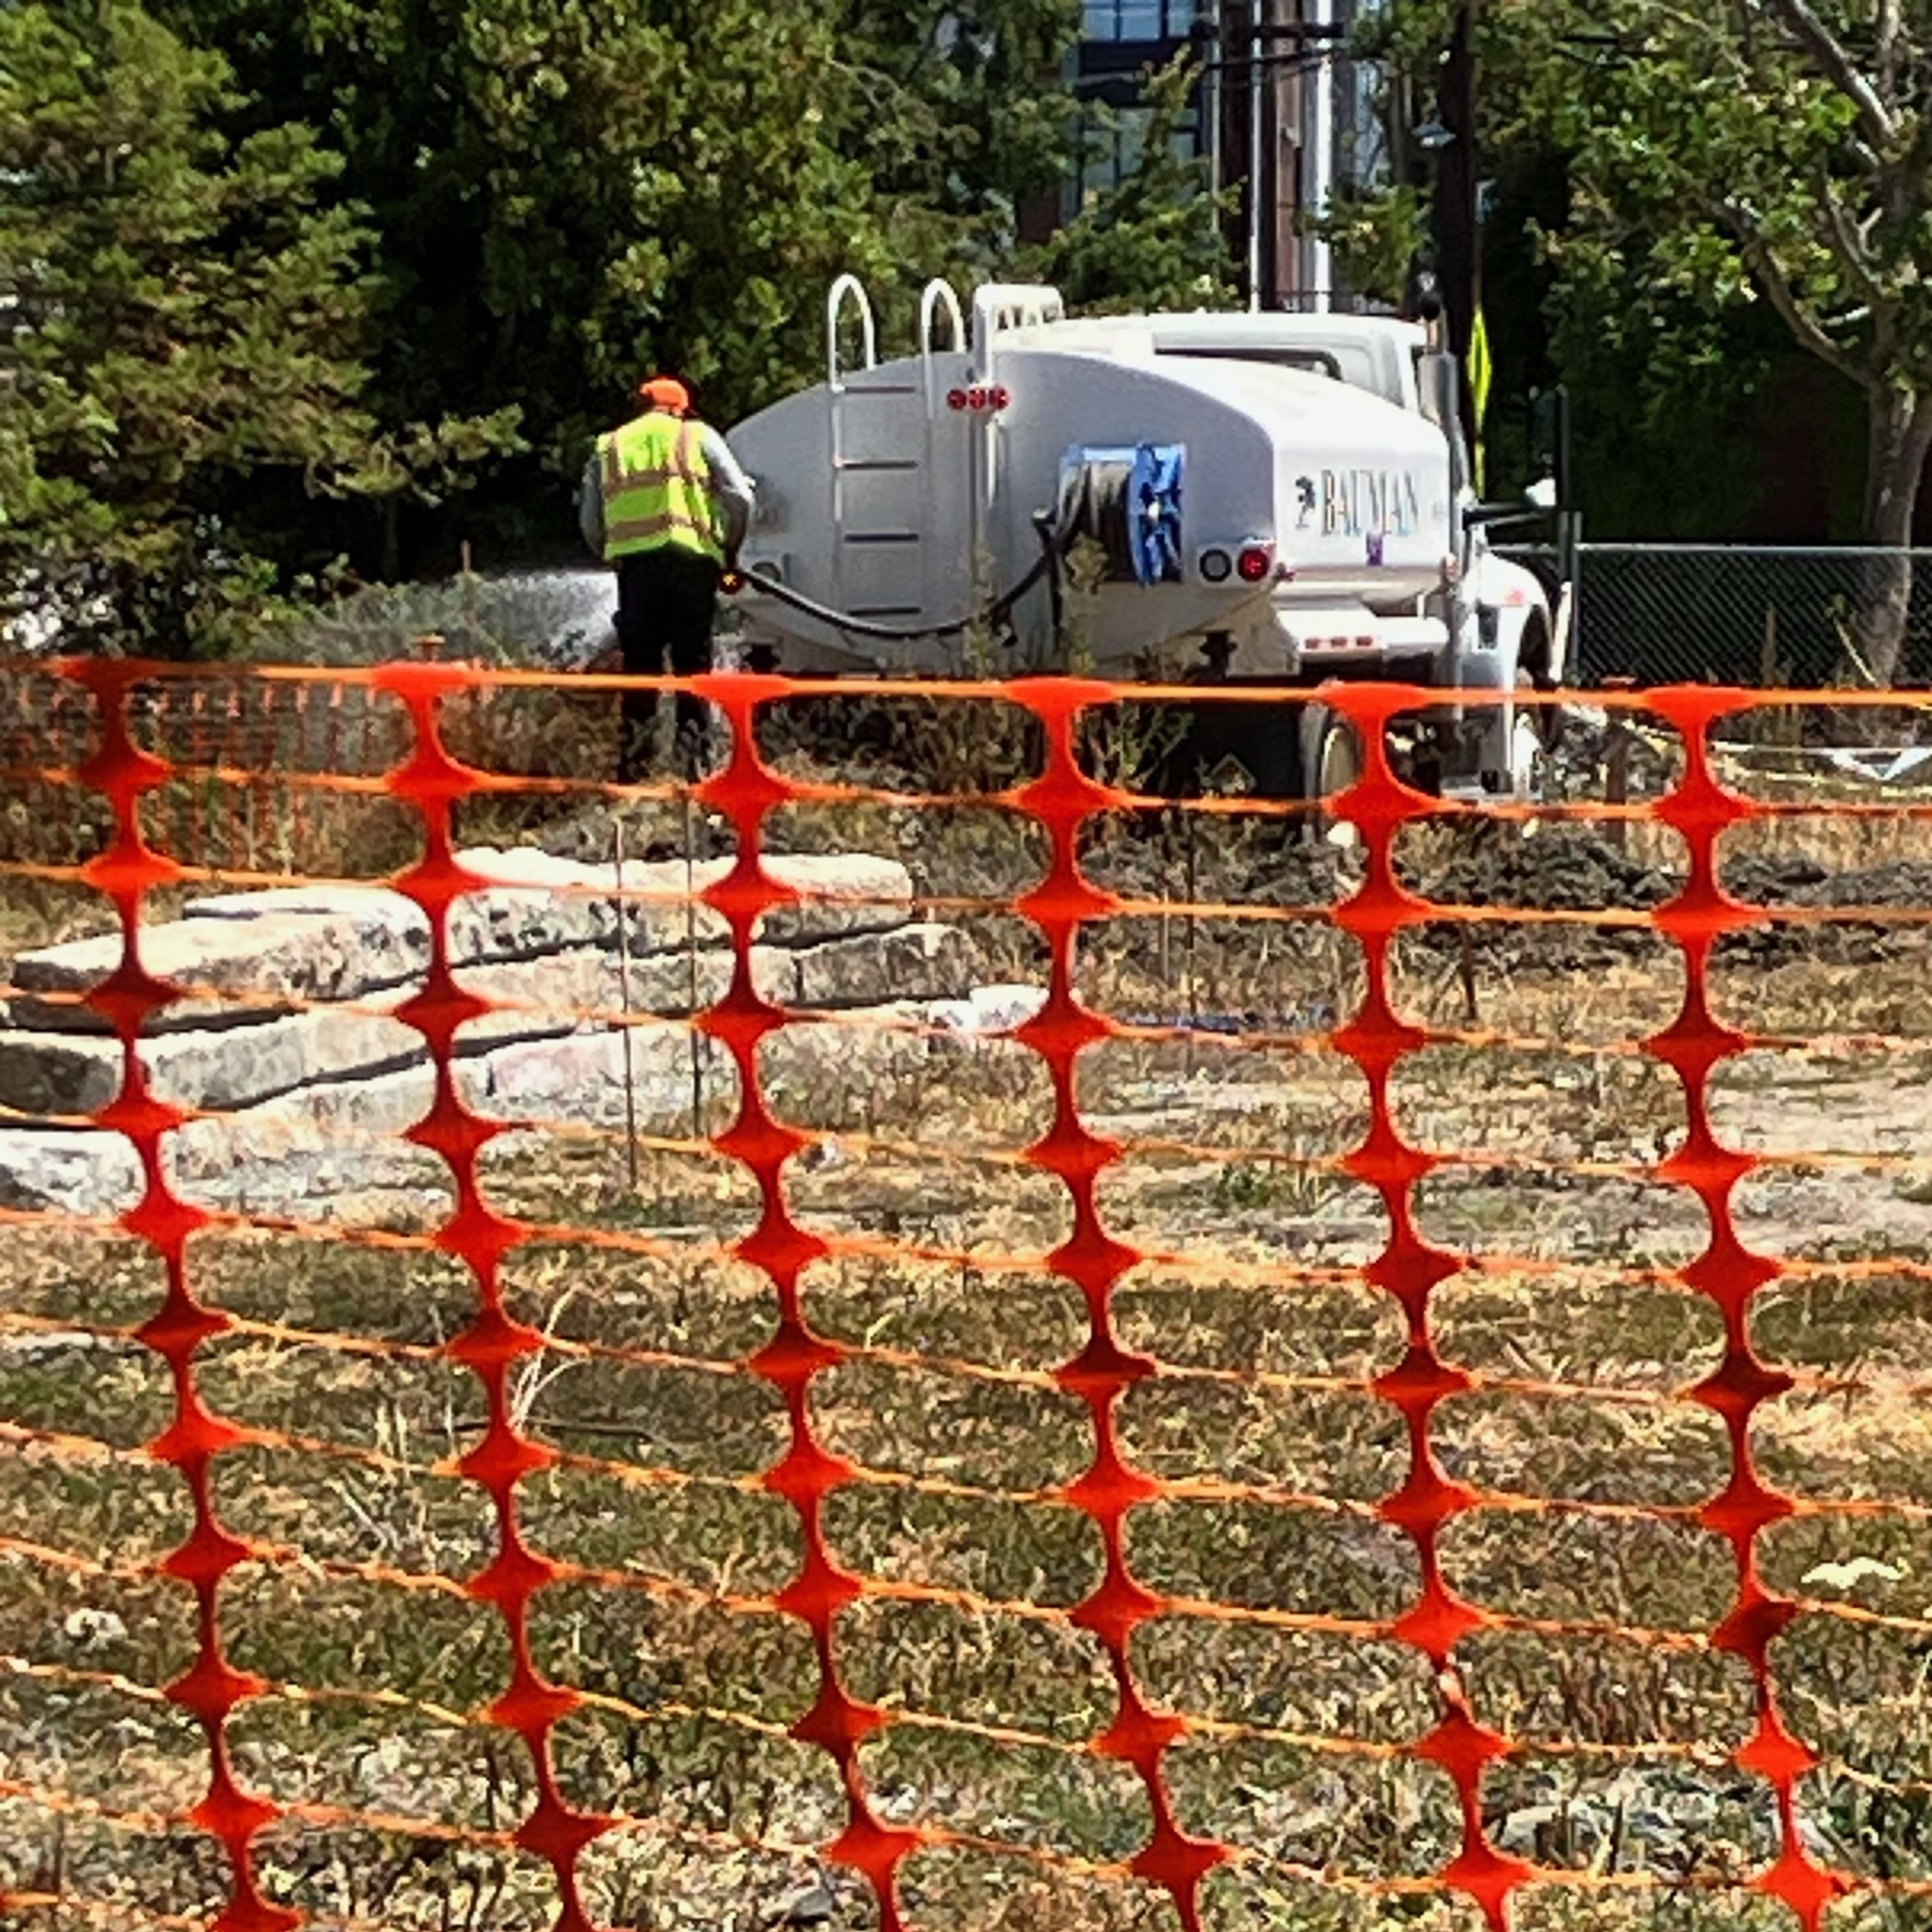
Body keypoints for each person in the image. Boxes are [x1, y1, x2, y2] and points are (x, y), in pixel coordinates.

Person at [580, 375, 755, 779]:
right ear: (679, 408)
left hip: (636, 571)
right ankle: (695, 768)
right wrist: (730, 549)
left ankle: (635, 772)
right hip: (691, 563)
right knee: (694, 667)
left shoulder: (609, 445)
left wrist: (614, 553)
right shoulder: (696, 435)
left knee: (640, 670)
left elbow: (590, 521)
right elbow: (740, 497)